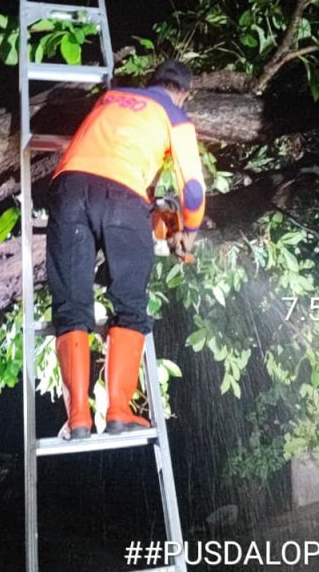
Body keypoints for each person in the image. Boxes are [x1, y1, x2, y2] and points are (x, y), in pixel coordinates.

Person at [48, 59, 205, 439]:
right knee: (130, 304)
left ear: (152, 81)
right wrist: (189, 231)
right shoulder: (175, 117)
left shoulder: (111, 97)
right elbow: (193, 190)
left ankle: (78, 417)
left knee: (71, 305)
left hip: (68, 190)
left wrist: (153, 209)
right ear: (185, 95)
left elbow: (105, 162)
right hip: (123, 197)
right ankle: (118, 411)